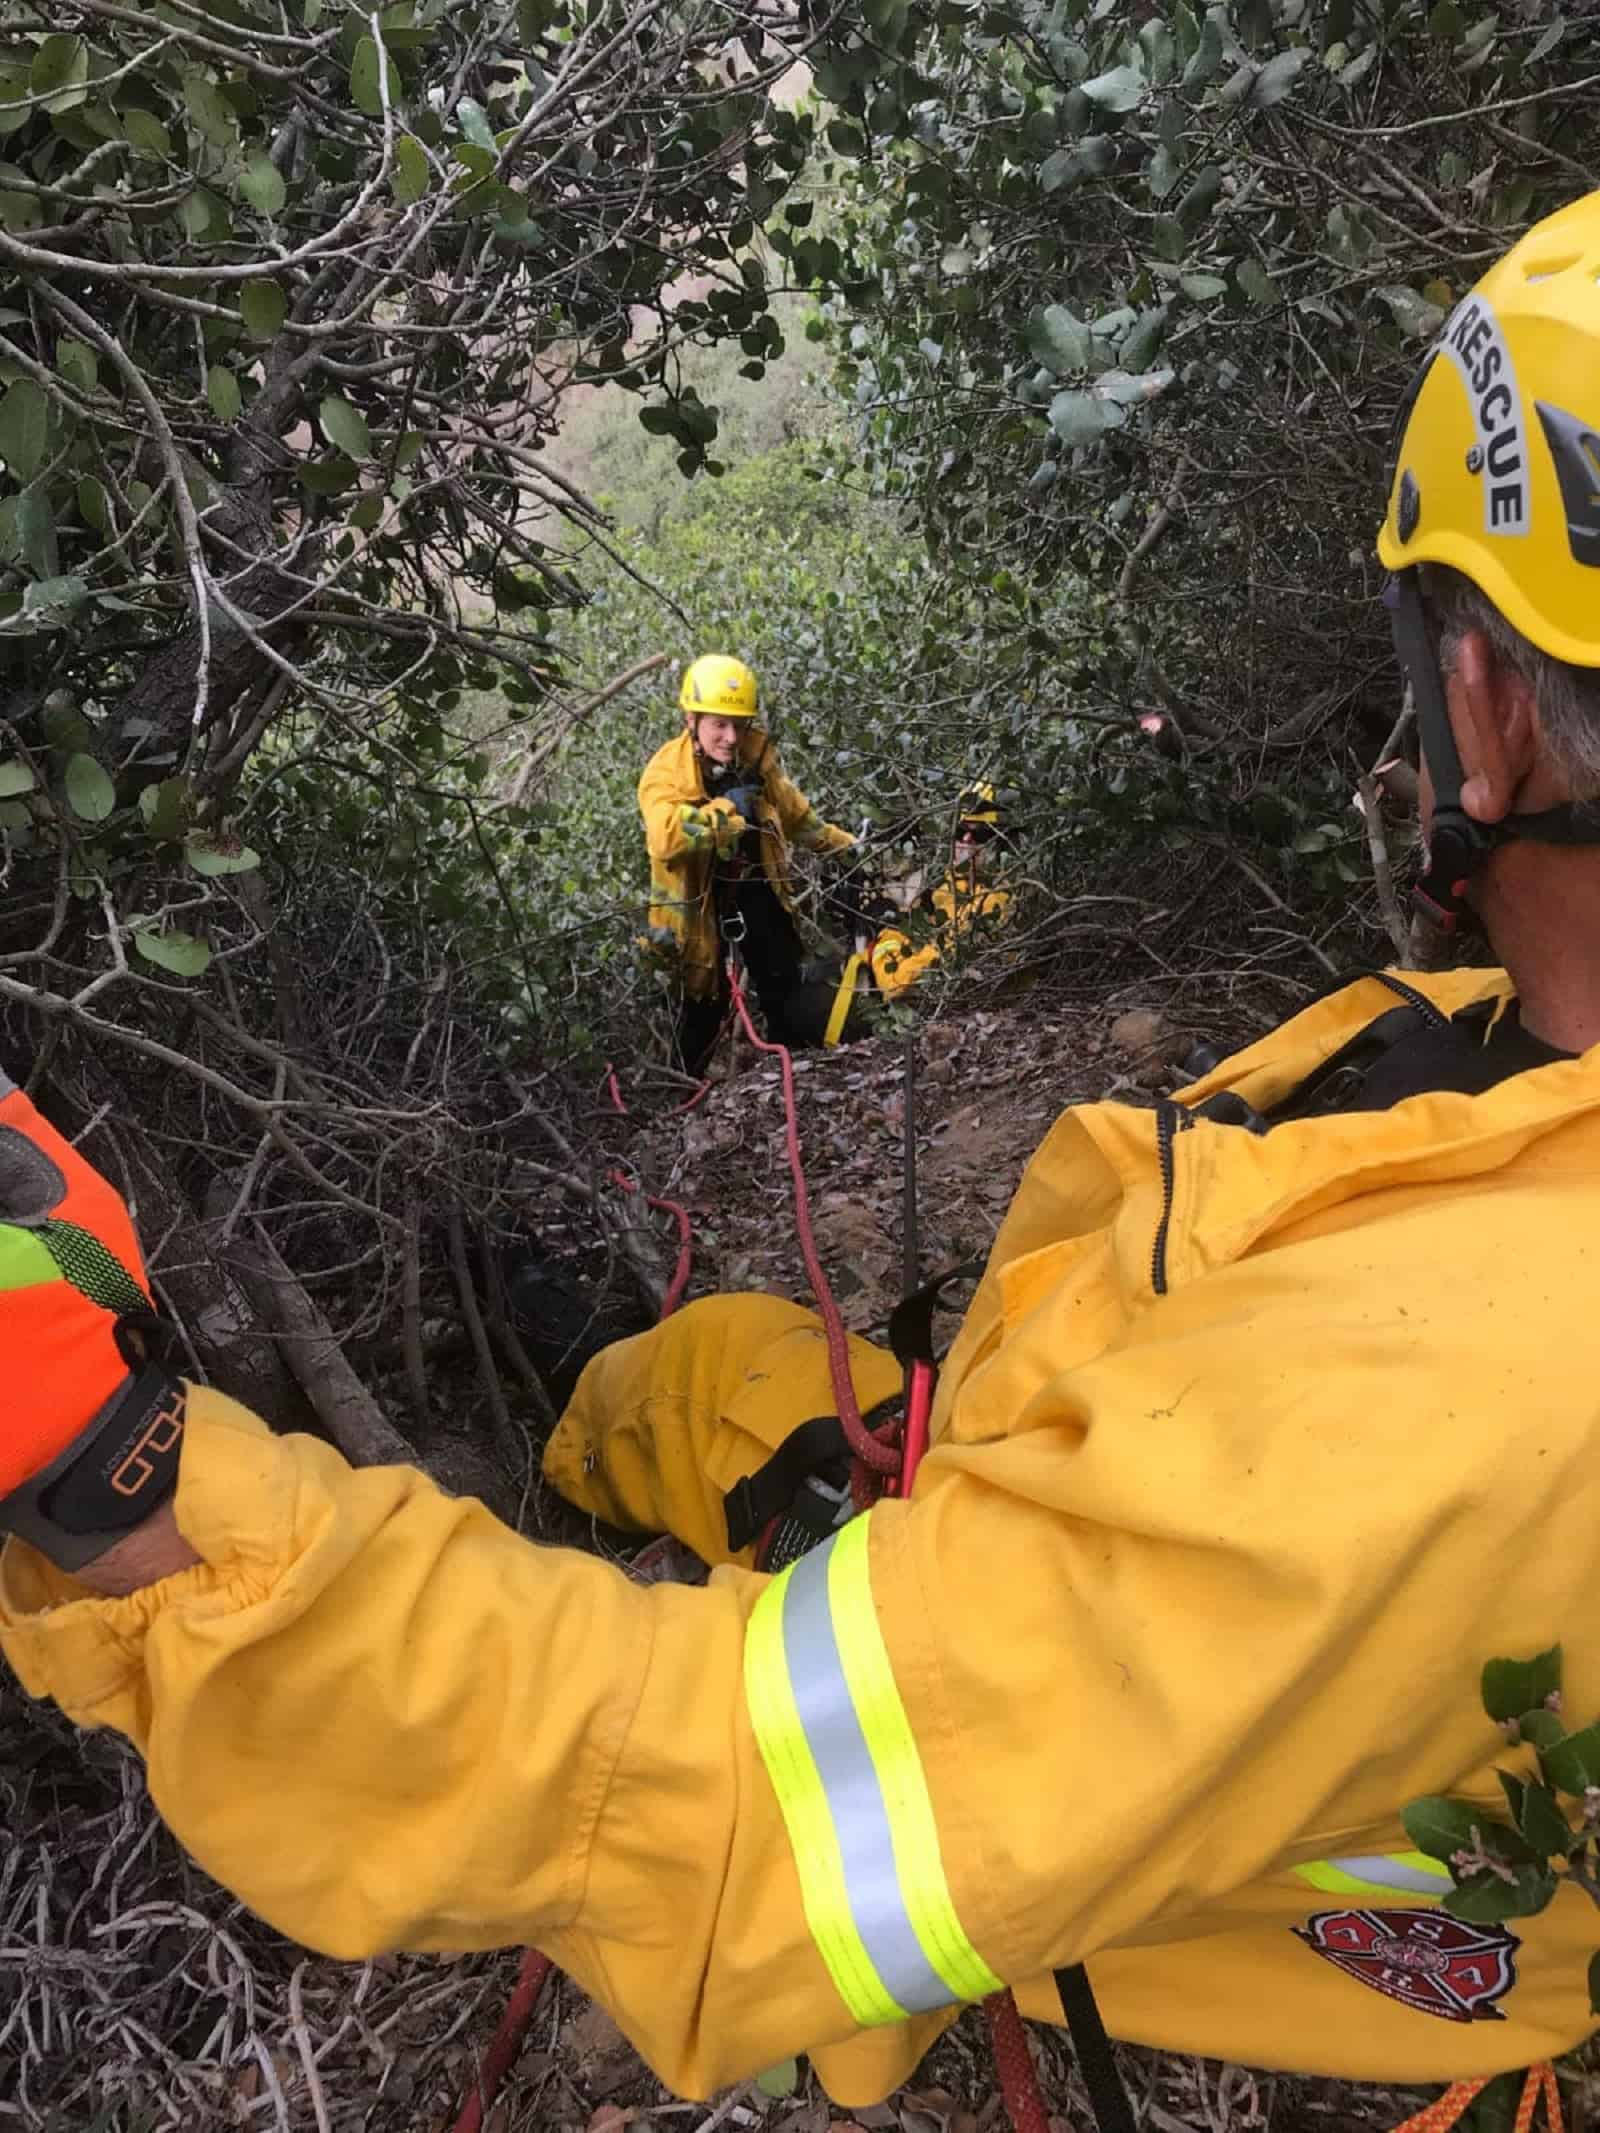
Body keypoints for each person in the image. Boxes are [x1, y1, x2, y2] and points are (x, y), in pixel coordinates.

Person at [7, 196, 1600, 2112]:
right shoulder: (1496, 1065)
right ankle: (599, 1381)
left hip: (1120, 1735)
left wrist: (105, 1478)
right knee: (717, 1363)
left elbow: (728, 1809)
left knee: (728, 1384)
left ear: (1494, 706)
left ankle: (591, 1414)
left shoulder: (1457, 1399)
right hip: (1051, 1441)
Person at [639, 653, 855, 1072]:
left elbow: (798, 818)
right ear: (692, 719)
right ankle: (684, 1092)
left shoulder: (757, 759)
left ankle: (793, 1075)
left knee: (783, 983)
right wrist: (725, 814)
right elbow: (664, 837)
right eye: (719, 724)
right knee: (700, 1012)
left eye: (739, 725)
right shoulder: (666, 771)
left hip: (757, 895)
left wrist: (847, 846)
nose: (731, 737)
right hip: (694, 915)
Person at [868, 782, 1019, 1000]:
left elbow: (899, 984)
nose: (965, 840)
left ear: (1006, 841)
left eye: (981, 834)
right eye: (961, 831)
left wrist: (886, 935)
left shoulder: (997, 902)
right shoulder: (947, 887)